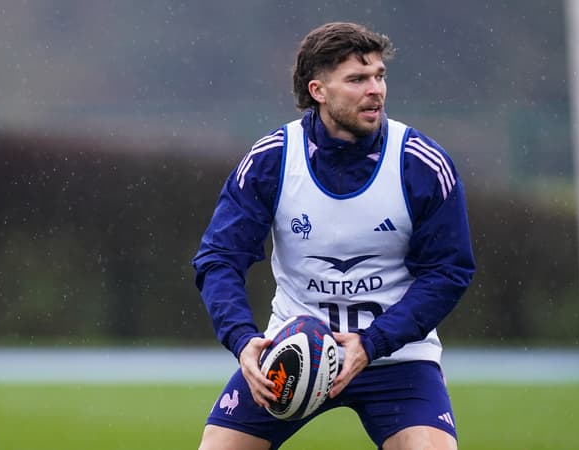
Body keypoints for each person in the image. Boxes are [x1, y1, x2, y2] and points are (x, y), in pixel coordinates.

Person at [192, 22, 475, 450]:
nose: (375, 89)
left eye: (379, 75)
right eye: (357, 79)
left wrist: (373, 342)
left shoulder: (421, 163)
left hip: (396, 358)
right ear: (318, 90)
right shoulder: (272, 159)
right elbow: (218, 257)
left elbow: (449, 271)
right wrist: (244, 340)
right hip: (294, 352)